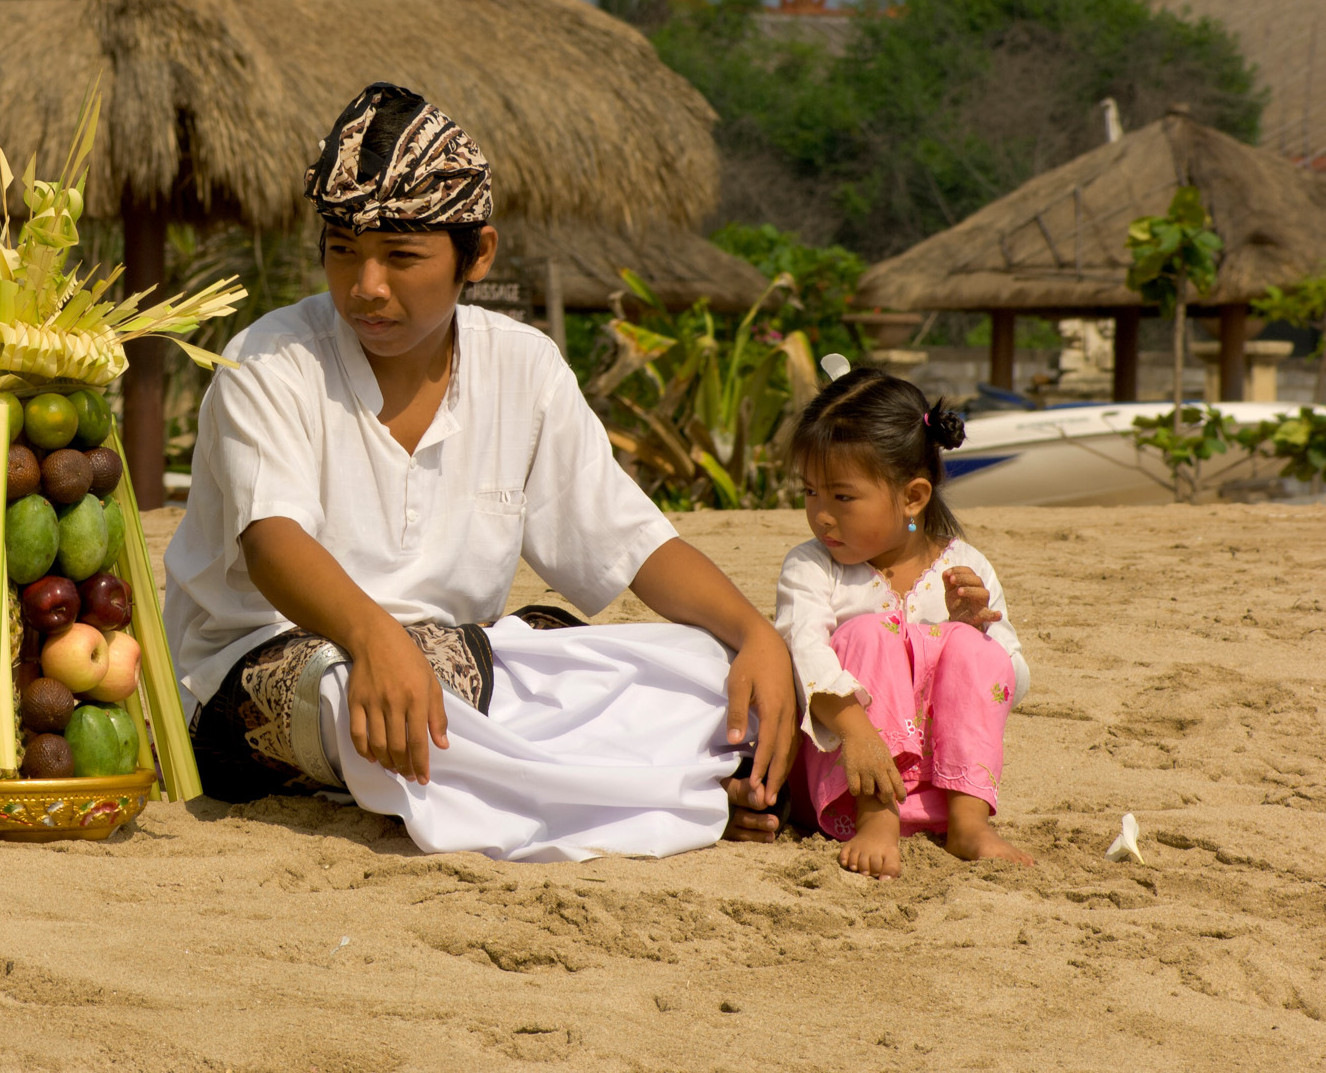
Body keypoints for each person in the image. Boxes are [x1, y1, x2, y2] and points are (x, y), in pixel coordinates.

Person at [163, 83, 799, 860]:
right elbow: (271, 542)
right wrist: (373, 639)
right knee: (355, 708)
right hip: (278, 662)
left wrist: (755, 634)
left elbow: (631, 544)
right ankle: (670, 797)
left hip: (470, 669)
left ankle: (627, 794)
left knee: (703, 667)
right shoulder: (268, 359)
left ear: (479, 254)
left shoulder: (522, 365)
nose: (367, 285)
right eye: (342, 250)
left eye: (400, 257)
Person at [776, 364, 1033, 879]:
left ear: (913, 496)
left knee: (973, 648)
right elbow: (803, 653)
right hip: (843, 778)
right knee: (869, 632)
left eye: (842, 497)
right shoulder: (813, 566)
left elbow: (1014, 685)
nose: (822, 515)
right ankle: (878, 820)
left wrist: (975, 627)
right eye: (810, 493)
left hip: (940, 785)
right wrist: (857, 734)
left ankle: (969, 822)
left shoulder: (966, 566)